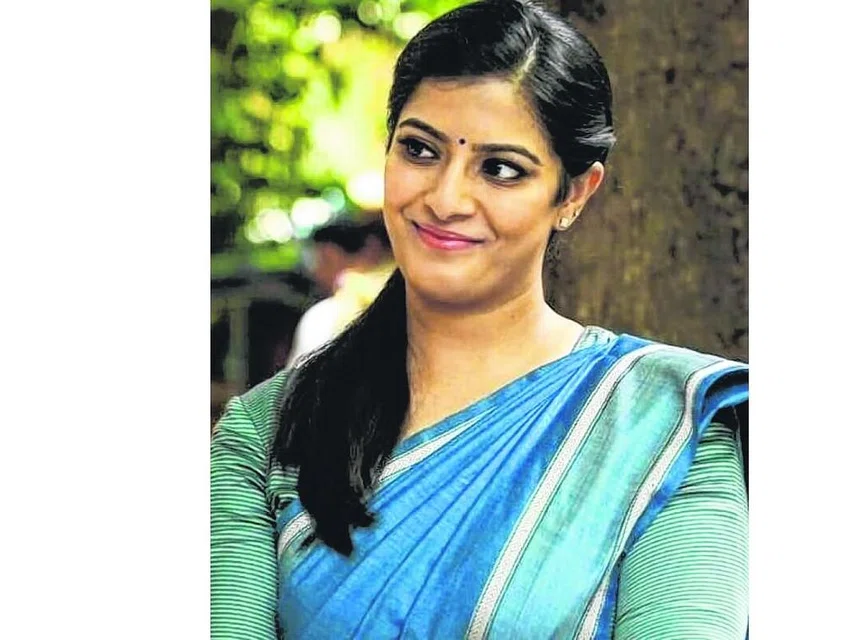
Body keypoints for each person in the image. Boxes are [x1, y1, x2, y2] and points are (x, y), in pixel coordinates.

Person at [211, 0, 748, 637]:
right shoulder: (269, 430)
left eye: (500, 169)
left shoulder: (666, 426)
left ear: (574, 194)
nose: (446, 199)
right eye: (419, 150)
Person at [286, 219, 395, 366]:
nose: (317, 272)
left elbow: (300, 375)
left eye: (324, 260)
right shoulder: (409, 304)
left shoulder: (324, 316)